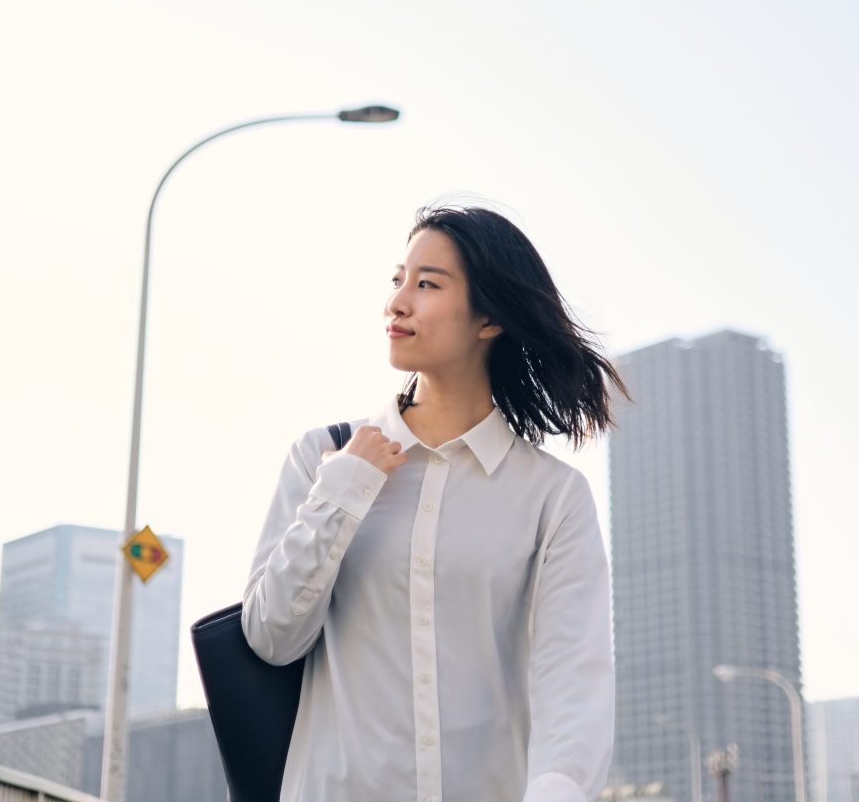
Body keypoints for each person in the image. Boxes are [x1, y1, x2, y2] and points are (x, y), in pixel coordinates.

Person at [242, 203, 629, 802]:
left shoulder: (552, 495)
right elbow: (272, 635)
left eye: (426, 284)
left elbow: (572, 680)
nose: (397, 302)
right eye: (398, 280)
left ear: (488, 319)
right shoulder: (323, 457)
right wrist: (343, 492)